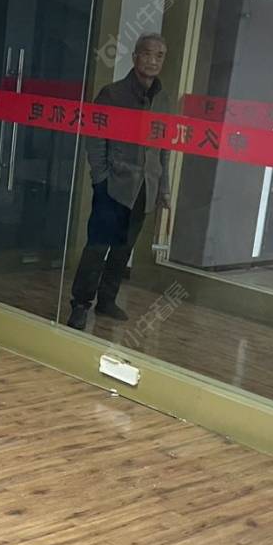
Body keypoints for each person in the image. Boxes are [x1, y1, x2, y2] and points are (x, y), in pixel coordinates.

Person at [67, 32, 171, 330]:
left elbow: (164, 148)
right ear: (135, 56)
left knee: (124, 247)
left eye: (159, 56)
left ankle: (107, 300)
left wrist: (163, 187)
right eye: (147, 53)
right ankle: (80, 304)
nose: (153, 60)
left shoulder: (163, 99)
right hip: (114, 185)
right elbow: (95, 139)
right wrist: (100, 179)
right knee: (98, 246)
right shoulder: (112, 94)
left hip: (145, 186)